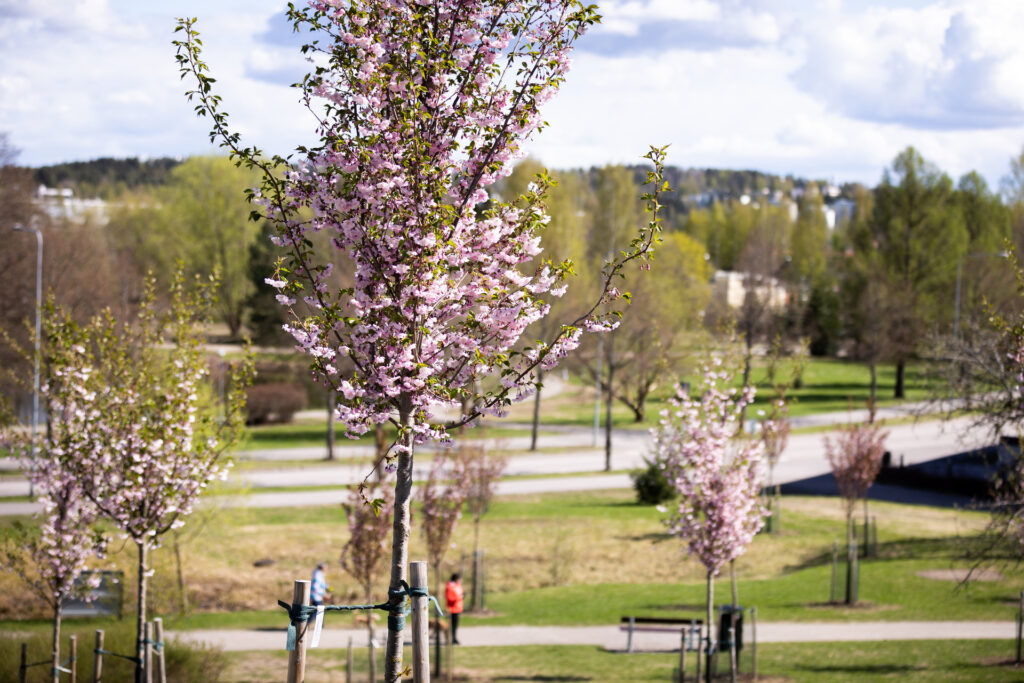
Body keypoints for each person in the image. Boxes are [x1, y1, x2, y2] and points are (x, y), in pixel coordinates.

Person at [445, 572, 464, 644]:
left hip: (457, 608)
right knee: (451, 625)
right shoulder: (450, 587)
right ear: (456, 579)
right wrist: (458, 598)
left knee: (455, 625)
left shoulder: (457, 586)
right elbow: (449, 597)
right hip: (452, 609)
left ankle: (454, 638)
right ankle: (451, 638)